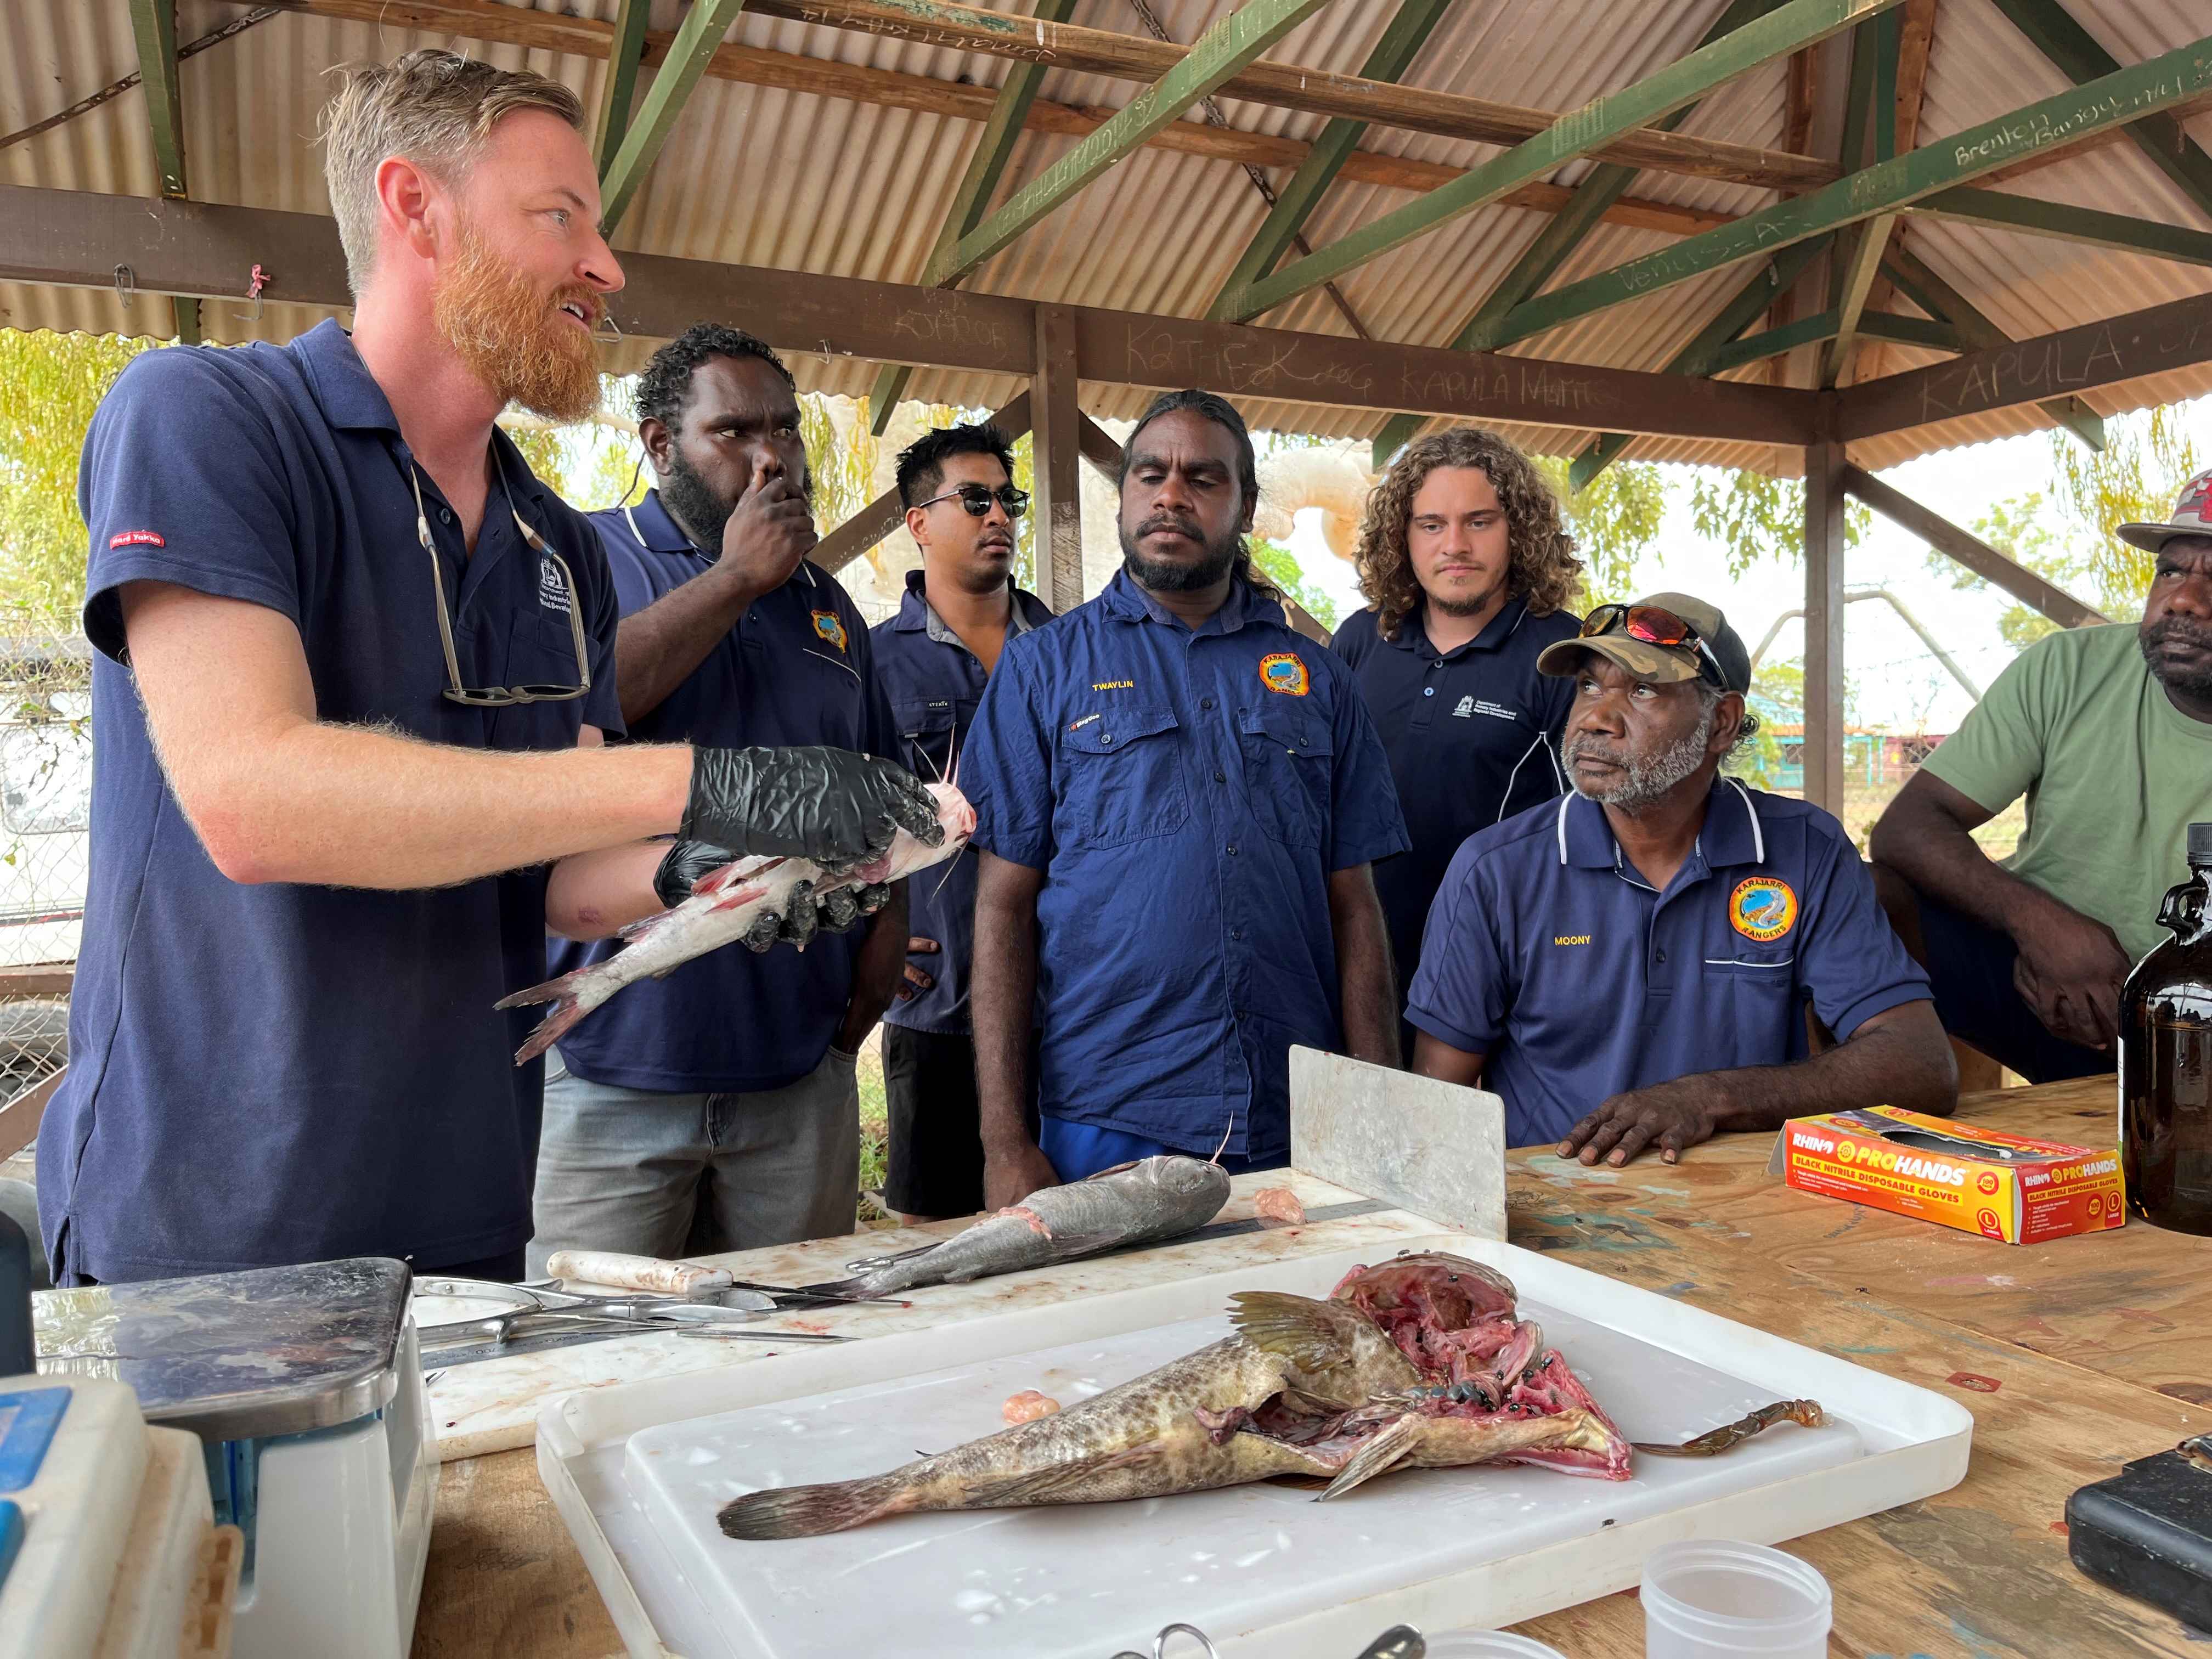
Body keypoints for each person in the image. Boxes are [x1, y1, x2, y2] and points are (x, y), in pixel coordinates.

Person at [36, 52, 935, 1286]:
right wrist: (717, 785)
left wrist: (739, 871)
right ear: (416, 207)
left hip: (469, 1218)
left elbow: (565, 884)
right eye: (560, 217)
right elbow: (255, 800)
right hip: (217, 1228)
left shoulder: (552, 543)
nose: (607, 269)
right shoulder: (206, 417)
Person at [961, 390, 1409, 1207]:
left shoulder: (1317, 680)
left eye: (1204, 479)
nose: (1172, 494)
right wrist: (1004, 1141)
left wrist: (1378, 1116)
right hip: (1108, 1113)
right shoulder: (1042, 672)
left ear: (1244, 509)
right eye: (1151, 474)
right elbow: (1000, 911)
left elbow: (1356, 911)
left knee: (1296, 1328)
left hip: (1293, 1113)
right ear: (1127, 494)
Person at [528, 326, 908, 1267]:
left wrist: (851, 1018)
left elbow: (883, 810)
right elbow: (580, 713)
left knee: (787, 1370)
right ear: (660, 444)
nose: (772, 454)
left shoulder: (830, 608)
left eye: (785, 427)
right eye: (734, 430)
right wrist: (737, 578)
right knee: (589, 1362)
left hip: (794, 1080)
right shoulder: (588, 561)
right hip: (613, 1073)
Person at [1410, 592, 1956, 1165]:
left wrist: (1710, 1098)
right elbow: (1433, 1105)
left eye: (1642, 690)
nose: (1596, 718)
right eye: (1590, 686)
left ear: (1720, 723)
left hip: (1745, 1220)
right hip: (1555, 1220)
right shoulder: (1497, 870)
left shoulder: (1802, 851)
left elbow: (1920, 1063)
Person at [1869, 471, 2212, 1081]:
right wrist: (2036, 924)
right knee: (1860, 900)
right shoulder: (2067, 670)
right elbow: (1908, 830)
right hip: (2043, 983)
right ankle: (1858, 1138)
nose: (2183, 598)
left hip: (2194, 1027)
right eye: (2170, 570)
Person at [1331, 428, 1583, 1022]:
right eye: (1431, 525)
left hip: (1501, 977)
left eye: (1480, 521)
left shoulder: (1565, 654)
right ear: (1403, 535)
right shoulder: (1359, 640)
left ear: (1518, 530)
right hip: (1361, 968)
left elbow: (1597, 831)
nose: (1456, 545)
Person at [870, 423, 1054, 1223]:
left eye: (1007, 500)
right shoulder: (871, 663)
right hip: (938, 1001)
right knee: (935, 1243)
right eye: (974, 500)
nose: (999, 517)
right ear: (918, 522)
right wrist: (865, 941)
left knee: (1068, 1237)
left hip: (1065, 999)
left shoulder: (1071, 650)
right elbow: (839, 825)